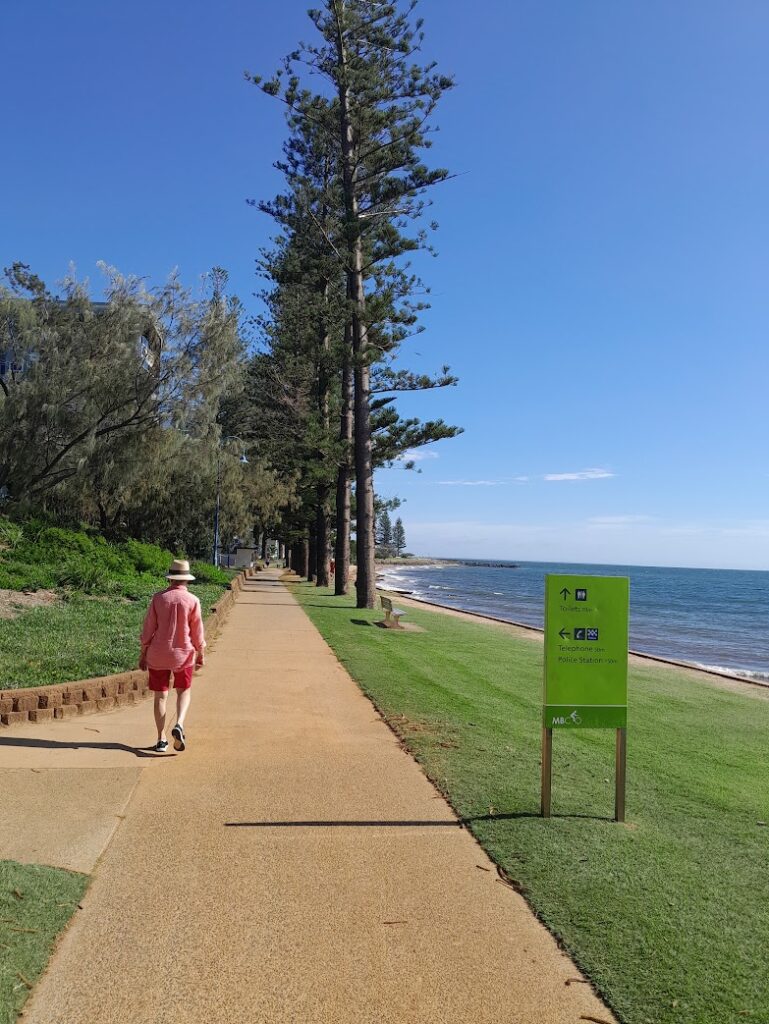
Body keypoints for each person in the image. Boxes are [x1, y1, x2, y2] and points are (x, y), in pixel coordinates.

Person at [139, 559, 205, 753]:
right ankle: (180, 724)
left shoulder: (158, 599)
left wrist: (143, 653)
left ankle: (161, 739)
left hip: (158, 653)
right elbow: (197, 632)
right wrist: (201, 652)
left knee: (160, 696)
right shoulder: (193, 600)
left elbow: (148, 630)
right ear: (186, 580)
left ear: (170, 578)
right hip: (183, 654)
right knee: (183, 690)